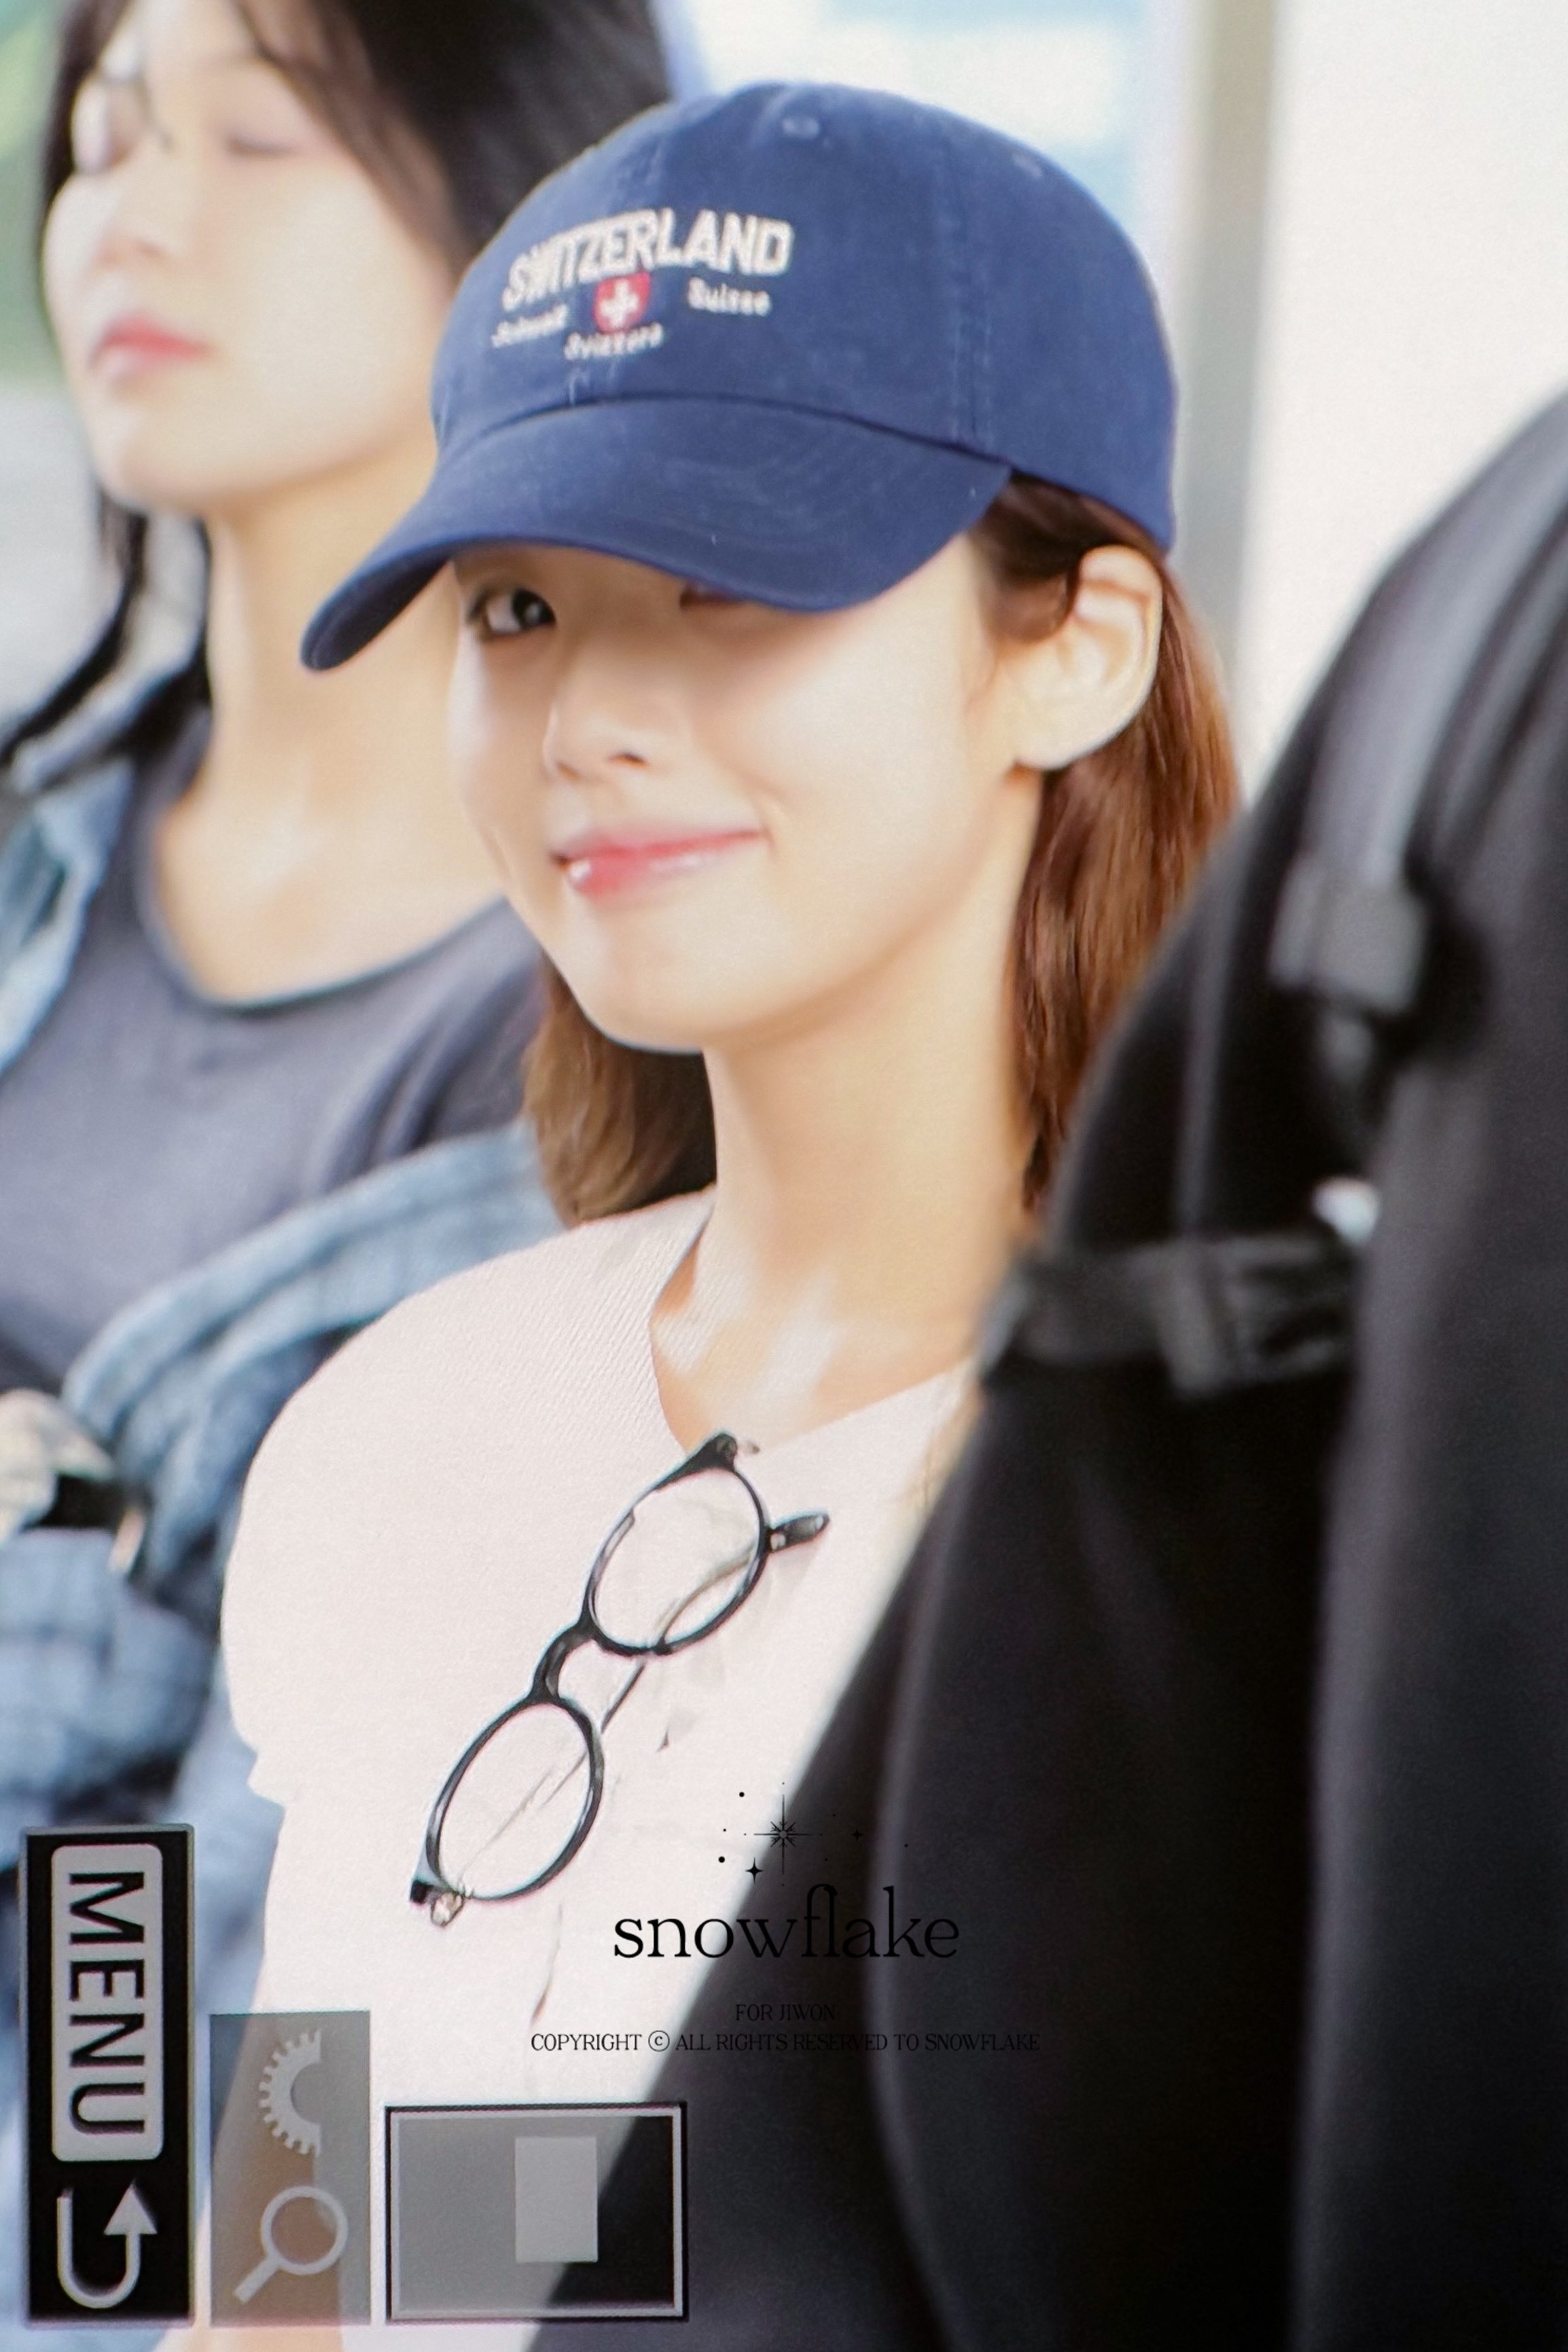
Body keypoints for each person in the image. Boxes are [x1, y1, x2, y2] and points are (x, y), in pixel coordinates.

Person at [219, 83, 1239, 2346]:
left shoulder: (1250, 1510)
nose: (587, 719)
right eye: (516, 608)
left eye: (733, 583)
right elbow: (275, 2264)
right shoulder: (391, 1427)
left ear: (1074, 644)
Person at [0, 0, 670, 2336]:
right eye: (105, 137)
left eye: (259, 139)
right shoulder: (35, 863)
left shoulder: (624, 1037)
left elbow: (293, 2171)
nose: (132, 214)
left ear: (523, 220)